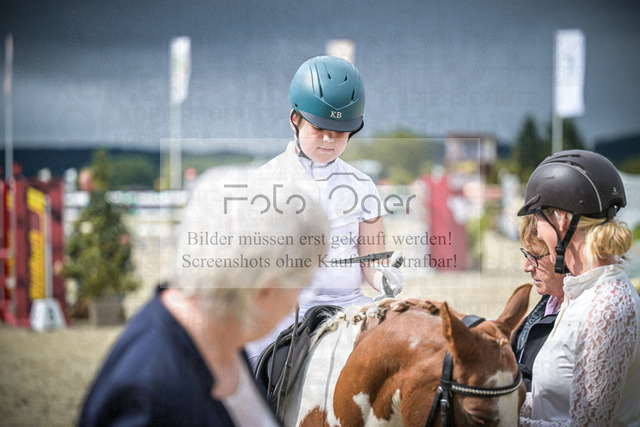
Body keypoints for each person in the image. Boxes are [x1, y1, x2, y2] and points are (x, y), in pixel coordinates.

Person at [78, 168, 330, 426]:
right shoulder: (151, 393)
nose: (298, 301)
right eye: (303, 284)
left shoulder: (220, 335)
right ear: (263, 287)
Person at [246, 56, 403, 361]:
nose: (330, 139)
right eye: (319, 128)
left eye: (341, 131)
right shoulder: (263, 183)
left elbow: (372, 259)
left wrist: (384, 277)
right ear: (295, 119)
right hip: (285, 314)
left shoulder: (362, 185)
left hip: (349, 307)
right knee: (247, 368)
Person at [516, 149, 640, 426]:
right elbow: (553, 403)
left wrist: (498, 421)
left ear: (561, 219)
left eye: (538, 220)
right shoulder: (582, 294)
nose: (537, 232)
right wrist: (488, 401)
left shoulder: (607, 307)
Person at [511, 214, 565, 391]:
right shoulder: (549, 301)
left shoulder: (579, 314)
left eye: (535, 256)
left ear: (563, 254)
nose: (526, 267)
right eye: (526, 255)